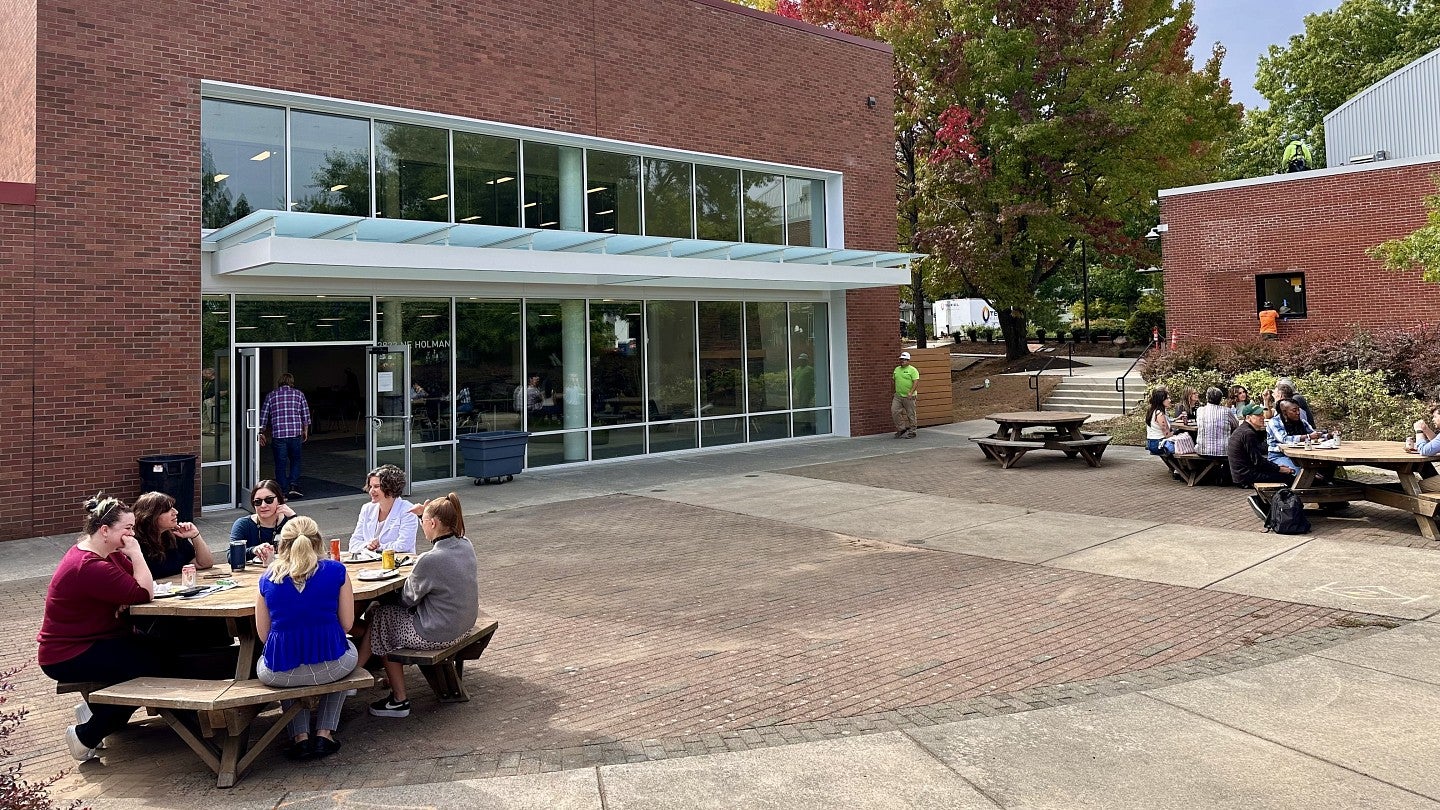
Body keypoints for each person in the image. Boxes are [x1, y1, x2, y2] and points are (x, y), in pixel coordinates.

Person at [37, 495, 168, 762]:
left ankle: (96, 711)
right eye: (127, 529)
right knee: (149, 668)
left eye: (132, 529)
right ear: (105, 530)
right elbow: (143, 591)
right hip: (67, 653)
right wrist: (137, 554)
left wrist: (126, 592)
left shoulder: (106, 554)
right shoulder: (89, 565)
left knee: (159, 649)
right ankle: (87, 734)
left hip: (97, 640)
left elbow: (132, 584)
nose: (132, 535)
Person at [358, 493, 478, 719]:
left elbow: (406, 600)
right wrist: (426, 511)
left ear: (433, 523)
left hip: (437, 633)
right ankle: (359, 673)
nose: (421, 526)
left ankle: (396, 699)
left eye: (423, 522)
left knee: (383, 617)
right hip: (462, 625)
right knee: (381, 616)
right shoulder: (465, 544)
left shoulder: (430, 560)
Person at [255, 516, 357, 760]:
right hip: (330, 666)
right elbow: (347, 624)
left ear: (283, 545)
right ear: (317, 541)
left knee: (281, 656)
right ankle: (324, 732)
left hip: (281, 674)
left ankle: (299, 737)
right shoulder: (336, 571)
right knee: (346, 650)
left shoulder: (267, 579)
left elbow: (263, 635)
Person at [132, 491, 214, 579]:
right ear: (151, 516)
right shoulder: (135, 543)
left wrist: (195, 535)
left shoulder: (175, 536)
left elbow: (204, 564)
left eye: (173, 508)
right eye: (167, 510)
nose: (175, 512)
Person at [259, 372, 312, 499]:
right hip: (295, 433)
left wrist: (261, 432)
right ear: (291, 382)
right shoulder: (299, 394)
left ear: (279, 382)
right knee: (295, 460)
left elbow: (263, 416)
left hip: (279, 435)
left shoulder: (271, 396)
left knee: (280, 463)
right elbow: (305, 414)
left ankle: (282, 491)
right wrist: (305, 430)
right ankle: (293, 486)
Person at [348, 464, 418, 554]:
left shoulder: (407, 510)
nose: (371, 491)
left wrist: (378, 546)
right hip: (369, 564)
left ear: (390, 488)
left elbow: (403, 545)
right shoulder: (367, 508)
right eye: (370, 486)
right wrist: (367, 545)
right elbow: (353, 544)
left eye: (376, 486)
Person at [230, 480, 297, 564]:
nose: (263, 505)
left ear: (279, 500)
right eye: (258, 502)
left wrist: (293, 517)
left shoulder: (290, 523)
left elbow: (310, 549)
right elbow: (231, 556)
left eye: (269, 500)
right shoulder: (243, 524)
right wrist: (253, 550)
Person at [1228, 404, 1294, 487]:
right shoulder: (1248, 434)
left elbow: (1257, 460)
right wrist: (1280, 469)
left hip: (1242, 474)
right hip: (1246, 477)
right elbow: (1258, 462)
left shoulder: (1243, 430)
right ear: (1248, 417)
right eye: (1259, 415)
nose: (1263, 417)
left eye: (1262, 414)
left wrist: (1277, 467)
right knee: (1289, 478)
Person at [1265, 399, 1318, 471]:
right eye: (1294, 411)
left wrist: (1327, 436)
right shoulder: (1274, 422)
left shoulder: (1301, 422)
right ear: (1284, 412)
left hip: (1300, 455)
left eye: (1298, 410)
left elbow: (1313, 433)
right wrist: (1308, 436)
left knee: (1323, 467)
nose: (1298, 413)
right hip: (1279, 455)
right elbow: (1284, 439)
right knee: (1299, 471)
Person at [1195, 387, 1238, 458]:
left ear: (1207, 397)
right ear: (1220, 399)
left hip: (1202, 451)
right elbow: (1236, 426)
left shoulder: (1200, 410)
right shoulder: (1227, 411)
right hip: (1224, 452)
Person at [892, 351, 919, 439]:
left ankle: (913, 431)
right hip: (898, 396)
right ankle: (901, 429)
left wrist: (911, 392)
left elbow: (915, 382)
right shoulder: (897, 369)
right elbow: (894, 381)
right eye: (901, 359)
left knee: (910, 414)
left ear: (908, 360)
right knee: (894, 411)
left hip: (909, 396)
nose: (902, 361)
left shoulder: (913, 370)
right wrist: (893, 391)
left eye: (904, 359)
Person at [1144, 388, 1174, 455]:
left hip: (1152, 443)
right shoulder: (1159, 414)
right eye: (1167, 399)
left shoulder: (1152, 410)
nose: (1170, 400)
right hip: (1158, 444)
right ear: (1161, 400)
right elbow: (1167, 434)